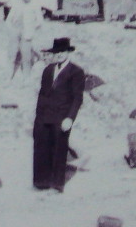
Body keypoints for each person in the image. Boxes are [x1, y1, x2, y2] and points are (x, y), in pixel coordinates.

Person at [33, 38, 85, 194]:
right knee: (42, 148)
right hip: (45, 115)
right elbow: (42, 95)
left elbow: (77, 98)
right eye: (57, 52)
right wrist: (38, 117)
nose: (59, 55)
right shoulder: (48, 70)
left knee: (59, 149)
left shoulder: (76, 71)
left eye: (62, 52)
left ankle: (57, 184)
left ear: (68, 52)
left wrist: (70, 118)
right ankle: (42, 182)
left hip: (62, 117)